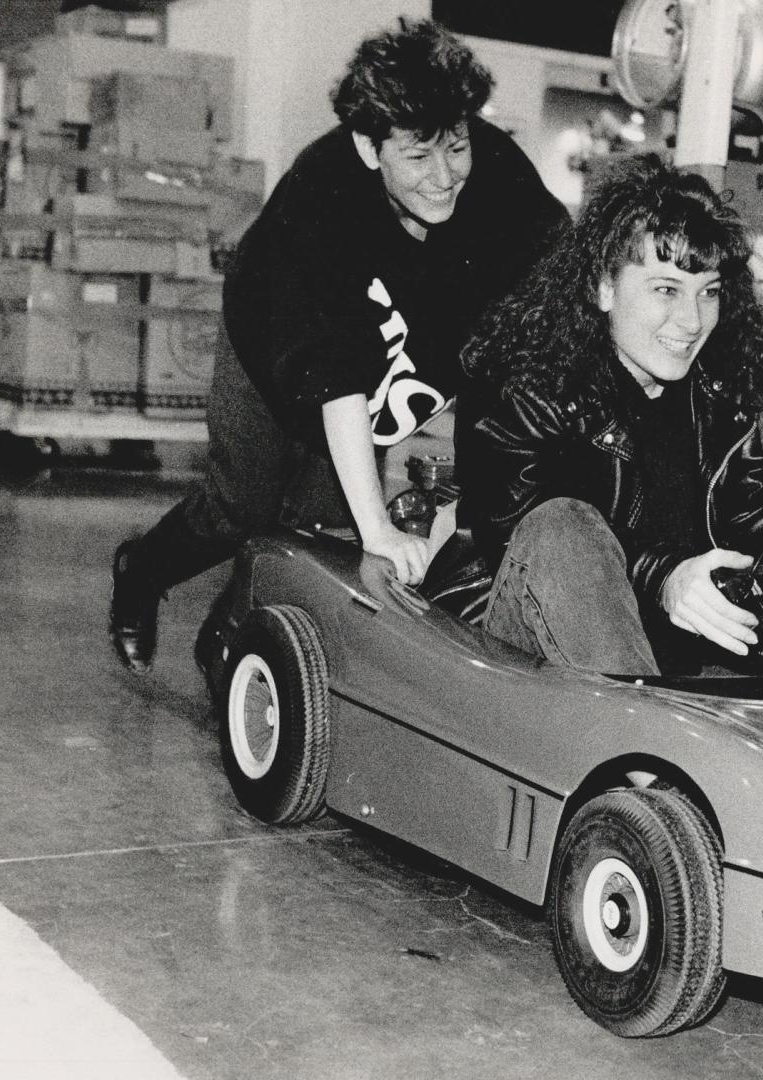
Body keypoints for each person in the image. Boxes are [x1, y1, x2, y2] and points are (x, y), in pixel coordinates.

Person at [109, 19, 569, 674]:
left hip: (389, 356)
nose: (445, 176)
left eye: (456, 148)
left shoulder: (498, 179)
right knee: (242, 507)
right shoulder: (319, 200)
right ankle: (141, 570)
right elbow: (337, 378)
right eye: (417, 157)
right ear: (367, 144)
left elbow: (529, 331)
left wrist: (473, 502)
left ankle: (231, 636)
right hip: (274, 343)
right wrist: (380, 527)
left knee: (322, 532)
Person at [455, 156, 763, 676]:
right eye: (666, 289)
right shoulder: (526, 383)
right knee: (563, 526)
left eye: (709, 292)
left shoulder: (730, 387)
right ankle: (644, 750)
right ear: (603, 287)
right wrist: (665, 579)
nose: (692, 320)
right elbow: (532, 540)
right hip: (523, 655)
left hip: (685, 663)